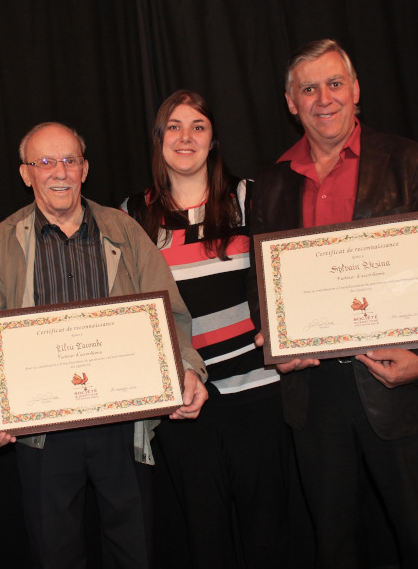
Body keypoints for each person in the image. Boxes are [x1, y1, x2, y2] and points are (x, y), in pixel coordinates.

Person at [248, 39, 418, 568]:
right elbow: (261, 281)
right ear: (291, 102)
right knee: (333, 548)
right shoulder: (270, 184)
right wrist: (274, 340)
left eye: (335, 83)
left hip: (399, 384)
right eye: (309, 88)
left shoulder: (410, 161)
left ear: (357, 90)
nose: (325, 98)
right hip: (314, 391)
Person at [0, 121, 209, 569]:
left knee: (134, 549)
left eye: (69, 160)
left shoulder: (125, 231)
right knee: (55, 552)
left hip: (124, 422)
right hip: (41, 432)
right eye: (45, 162)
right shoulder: (2, 243)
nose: (59, 172)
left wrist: (187, 369)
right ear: (26, 174)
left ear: (85, 168)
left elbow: (169, 314)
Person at [122, 90, 289, 568]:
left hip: (258, 392)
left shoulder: (248, 197)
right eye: (173, 126)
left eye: (198, 126)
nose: (186, 136)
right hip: (184, 404)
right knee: (204, 538)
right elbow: (130, 309)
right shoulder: (133, 214)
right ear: (159, 140)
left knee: (267, 534)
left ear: (213, 139)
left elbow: (284, 279)